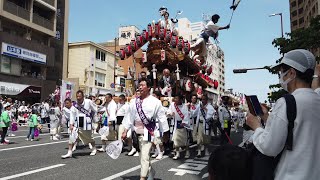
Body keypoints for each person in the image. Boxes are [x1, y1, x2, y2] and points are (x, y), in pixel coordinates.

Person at [246, 49, 320, 180]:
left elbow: (270, 147)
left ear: (292, 73)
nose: (281, 76)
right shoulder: (316, 99)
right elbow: (295, 129)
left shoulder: (287, 102)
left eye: (282, 72)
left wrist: (256, 126)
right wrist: (267, 117)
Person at [122, 78, 169, 180]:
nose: (140, 87)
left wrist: (165, 133)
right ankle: (151, 172)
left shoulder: (155, 102)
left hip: (148, 132)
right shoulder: (134, 101)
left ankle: (142, 177)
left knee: (144, 157)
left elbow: (162, 118)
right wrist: (125, 130)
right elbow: (129, 117)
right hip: (136, 132)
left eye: (143, 85)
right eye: (139, 85)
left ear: (148, 88)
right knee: (143, 157)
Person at [61, 90, 98, 159]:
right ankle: (69, 152)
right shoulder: (74, 105)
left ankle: (94, 149)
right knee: (71, 137)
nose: (78, 98)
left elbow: (95, 109)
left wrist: (93, 119)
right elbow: (72, 114)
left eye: (80, 96)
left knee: (89, 137)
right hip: (77, 122)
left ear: (83, 96)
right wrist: (71, 124)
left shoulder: (88, 102)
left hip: (86, 122)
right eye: (77, 96)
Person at [167, 95, 190, 160]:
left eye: (177, 98)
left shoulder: (184, 106)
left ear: (180, 100)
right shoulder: (172, 105)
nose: (175, 99)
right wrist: (170, 114)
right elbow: (169, 111)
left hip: (183, 124)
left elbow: (186, 114)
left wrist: (184, 122)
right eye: (175, 98)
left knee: (185, 140)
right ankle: (177, 153)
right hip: (175, 124)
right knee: (175, 139)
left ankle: (187, 152)